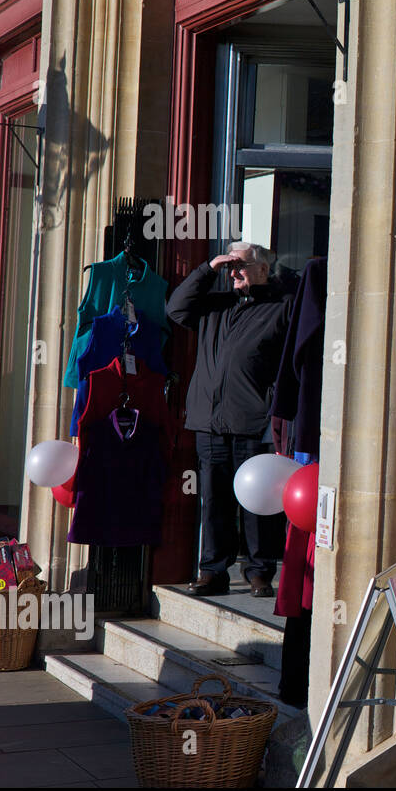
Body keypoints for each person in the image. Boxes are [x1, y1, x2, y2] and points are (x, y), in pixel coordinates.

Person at [167, 242, 294, 597]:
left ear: (264, 270)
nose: (234, 272)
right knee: (215, 498)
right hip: (209, 421)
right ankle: (213, 571)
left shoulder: (281, 306)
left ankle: (259, 571)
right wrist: (210, 268)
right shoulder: (216, 305)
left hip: (253, 420)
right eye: (230, 267)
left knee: (258, 502)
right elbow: (176, 309)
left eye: (241, 265)